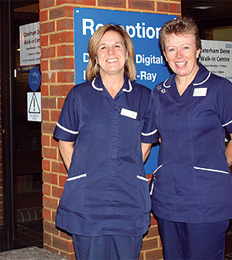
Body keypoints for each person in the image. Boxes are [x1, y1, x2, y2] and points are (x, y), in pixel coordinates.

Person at [53, 24, 158, 260]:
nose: (111, 52)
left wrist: (125, 172)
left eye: (117, 46)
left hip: (129, 200)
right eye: (104, 47)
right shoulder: (79, 95)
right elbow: (65, 143)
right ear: (95, 57)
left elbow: (145, 146)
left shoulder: (143, 96)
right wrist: (82, 175)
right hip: (87, 203)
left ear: (127, 53)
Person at [151, 17, 232, 259]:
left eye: (185, 47)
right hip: (168, 200)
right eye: (171, 49)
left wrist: (213, 168)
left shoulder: (219, 88)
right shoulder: (160, 92)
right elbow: (164, 138)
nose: (178, 55)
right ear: (164, 54)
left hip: (207, 201)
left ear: (197, 50)